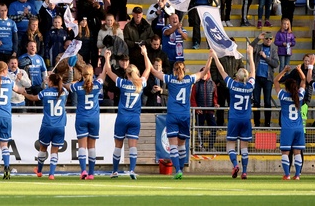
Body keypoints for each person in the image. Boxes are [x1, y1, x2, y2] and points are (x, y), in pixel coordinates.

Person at [150, 53, 213, 179]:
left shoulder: (170, 79)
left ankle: (177, 170)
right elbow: (204, 72)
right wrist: (210, 57)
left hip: (173, 115)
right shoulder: (189, 79)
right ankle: (182, 171)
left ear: (174, 70)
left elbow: (153, 71)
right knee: (181, 145)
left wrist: (146, 54)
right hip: (185, 115)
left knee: (173, 145)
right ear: (184, 69)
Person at [103, 45, 151, 179]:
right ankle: (131, 170)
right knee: (133, 146)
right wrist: (145, 54)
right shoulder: (141, 83)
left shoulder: (123, 83)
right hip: (135, 118)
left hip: (122, 117)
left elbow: (108, 70)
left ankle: (114, 171)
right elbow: (148, 69)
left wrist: (107, 57)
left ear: (127, 74)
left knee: (118, 145)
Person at [211, 46, 255, 179]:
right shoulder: (250, 86)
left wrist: (214, 56)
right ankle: (245, 171)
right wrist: (250, 55)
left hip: (234, 118)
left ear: (236, 77)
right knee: (244, 147)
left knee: (230, 144)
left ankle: (235, 164)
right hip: (246, 119)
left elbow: (221, 70)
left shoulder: (232, 84)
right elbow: (253, 71)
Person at [21, 73, 67, 180]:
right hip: (60, 126)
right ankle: (51, 174)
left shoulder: (45, 92)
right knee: (54, 151)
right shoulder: (64, 92)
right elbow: (62, 85)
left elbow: (33, 98)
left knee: (43, 148)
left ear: (51, 82)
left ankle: (40, 171)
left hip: (47, 125)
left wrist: (25, 94)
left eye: (48, 80)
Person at [65, 64, 106, 179]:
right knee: (92, 147)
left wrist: (70, 71)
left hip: (81, 118)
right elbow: (104, 73)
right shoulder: (97, 85)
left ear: (82, 75)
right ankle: (92, 173)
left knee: (82, 146)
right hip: (94, 119)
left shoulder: (77, 86)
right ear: (92, 74)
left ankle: (83, 170)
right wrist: (106, 60)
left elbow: (67, 86)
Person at [274, 64, 307, 180]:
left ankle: (287, 175)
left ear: (286, 87)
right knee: (297, 152)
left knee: (285, 152)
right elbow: (304, 80)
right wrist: (299, 70)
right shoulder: (300, 96)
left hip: (287, 128)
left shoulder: (283, 95)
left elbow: (275, 81)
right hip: (299, 127)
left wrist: (283, 70)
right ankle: (297, 175)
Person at [251, 32, 279, 127]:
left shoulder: (274, 50)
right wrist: (257, 38)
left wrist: (265, 57)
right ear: (264, 39)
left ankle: (267, 124)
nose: (268, 40)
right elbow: (250, 48)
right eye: (267, 38)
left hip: (268, 78)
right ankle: (257, 123)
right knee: (256, 101)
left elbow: (276, 64)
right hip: (257, 77)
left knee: (267, 101)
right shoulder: (258, 47)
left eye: (270, 39)